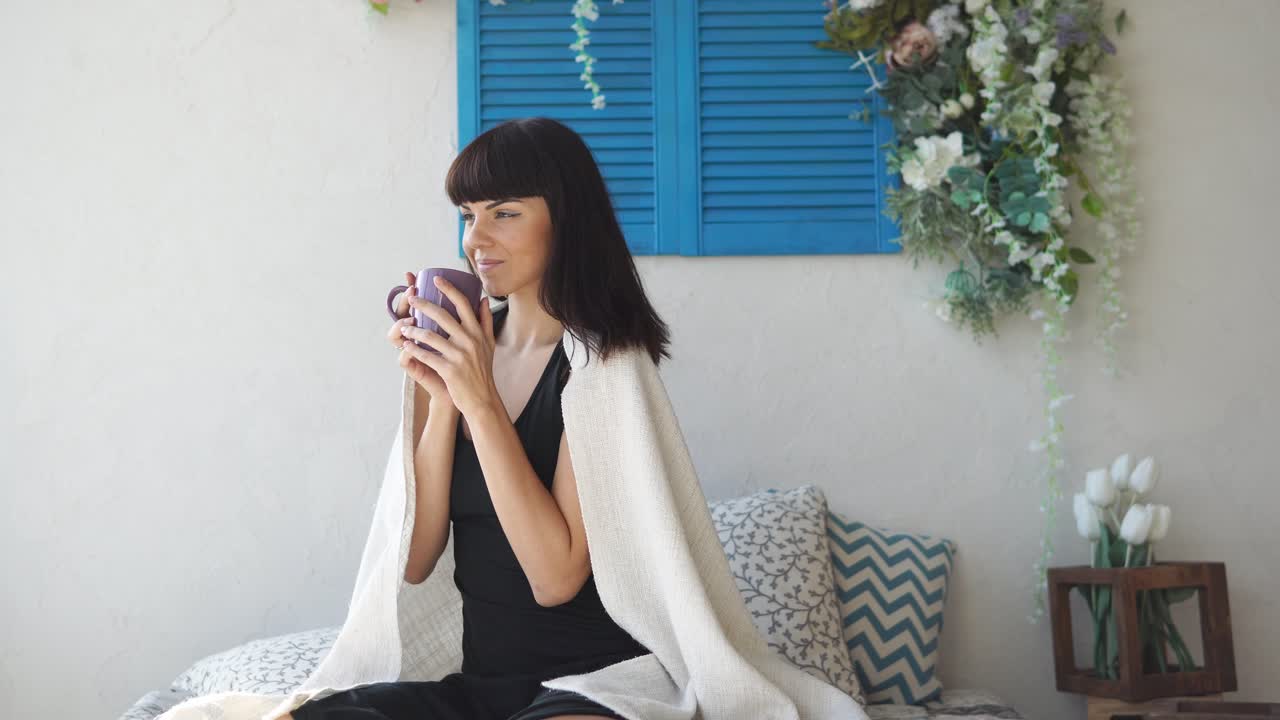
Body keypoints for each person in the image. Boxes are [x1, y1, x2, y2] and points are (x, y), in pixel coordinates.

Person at [287, 117, 673, 720]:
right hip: (479, 689)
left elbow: (555, 580)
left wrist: (480, 399)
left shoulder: (604, 366)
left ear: (566, 219)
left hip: (595, 686)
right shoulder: (463, 355)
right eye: (468, 215)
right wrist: (444, 394)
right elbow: (416, 560)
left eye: (505, 213)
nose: (476, 239)